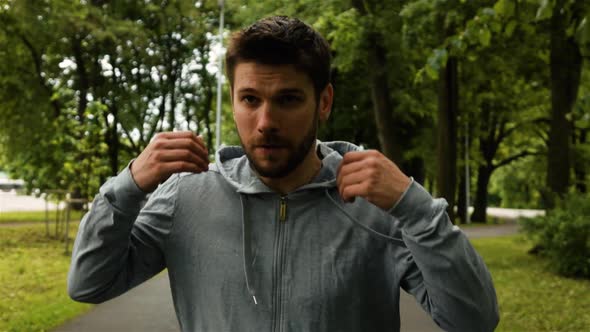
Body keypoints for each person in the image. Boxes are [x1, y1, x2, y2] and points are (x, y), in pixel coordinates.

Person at [68, 16, 499, 332]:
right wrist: (127, 186)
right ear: (233, 100)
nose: (266, 121)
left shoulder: (377, 204)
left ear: (324, 102)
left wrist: (416, 209)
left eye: (288, 99)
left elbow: (474, 319)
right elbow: (89, 283)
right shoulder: (187, 194)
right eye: (250, 99)